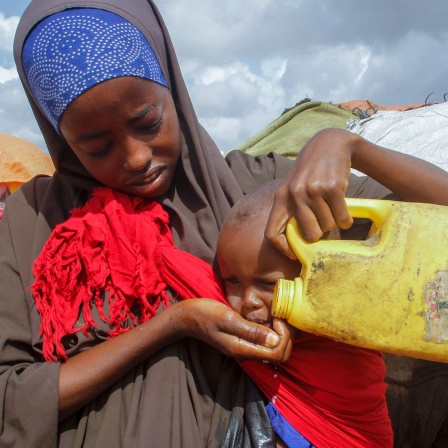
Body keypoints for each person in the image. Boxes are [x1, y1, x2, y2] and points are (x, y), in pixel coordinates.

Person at [3, 0, 448, 446]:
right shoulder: (31, 223)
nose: (136, 158)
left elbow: (437, 215)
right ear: (60, 140)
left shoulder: (258, 186)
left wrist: (349, 145)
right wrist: (174, 323)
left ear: (172, 90)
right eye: (97, 147)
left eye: (148, 122)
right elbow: (10, 398)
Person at [217, 180, 393, 448]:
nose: (248, 301)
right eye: (232, 281)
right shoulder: (230, 333)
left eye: (268, 283)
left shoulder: (347, 337)